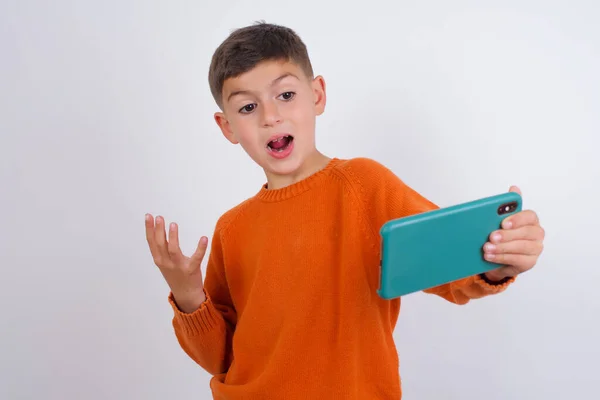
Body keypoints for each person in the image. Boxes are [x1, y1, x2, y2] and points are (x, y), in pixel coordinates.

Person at [144, 22, 545, 399]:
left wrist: (498, 259)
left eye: (285, 95)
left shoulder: (364, 185)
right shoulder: (231, 228)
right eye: (247, 108)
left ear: (316, 95)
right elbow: (220, 358)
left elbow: (449, 271)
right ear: (227, 126)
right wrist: (188, 294)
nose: (271, 117)